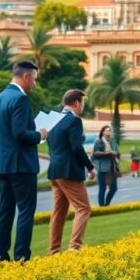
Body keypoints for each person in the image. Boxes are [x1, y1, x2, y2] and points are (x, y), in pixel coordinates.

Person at [0, 60, 47, 262]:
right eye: (35, 80)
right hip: (22, 165)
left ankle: (0, 255)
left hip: (4, 164)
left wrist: (7, 151)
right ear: (26, 77)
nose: (35, 84)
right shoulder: (20, 100)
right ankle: (22, 255)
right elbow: (21, 133)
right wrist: (40, 135)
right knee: (25, 211)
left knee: (5, 212)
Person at [47, 89, 95, 254]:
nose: (82, 107)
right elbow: (76, 147)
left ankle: (54, 251)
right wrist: (90, 166)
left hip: (54, 171)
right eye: (82, 103)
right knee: (83, 208)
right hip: (69, 171)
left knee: (59, 212)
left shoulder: (53, 119)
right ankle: (74, 248)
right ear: (76, 103)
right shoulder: (74, 120)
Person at [92, 125, 120, 207]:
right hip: (102, 168)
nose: (109, 132)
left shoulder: (112, 141)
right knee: (102, 188)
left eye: (110, 130)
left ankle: (106, 205)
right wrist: (108, 153)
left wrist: (117, 154)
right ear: (103, 132)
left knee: (114, 188)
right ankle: (101, 207)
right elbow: (95, 153)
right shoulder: (99, 141)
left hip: (111, 168)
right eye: (107, 130)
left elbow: (117, 151)